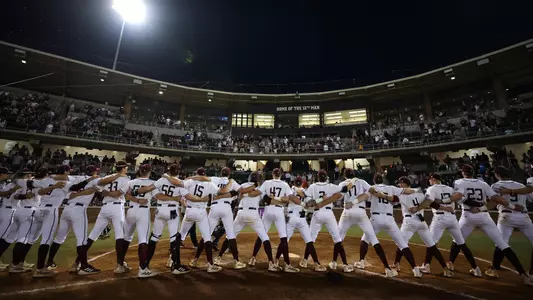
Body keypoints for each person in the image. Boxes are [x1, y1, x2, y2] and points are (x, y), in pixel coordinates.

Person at [445, 165, 532, 285]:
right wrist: (513, 206)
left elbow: (458, 196)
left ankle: (451, 265)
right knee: (503, 245)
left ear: (462, 172)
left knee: (458, 240)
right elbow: (498, 199)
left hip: (469, 215)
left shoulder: (460, 182)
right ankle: (524, 275)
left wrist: (446, 200)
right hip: (485, 216)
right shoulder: (483, 184)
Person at [357, 173, 423, 278]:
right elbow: (406, 191)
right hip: (389, 219)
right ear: (382, 180)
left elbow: (363, 197)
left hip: (376, 218)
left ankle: (361, 262)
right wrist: (416, 190)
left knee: (365, 239)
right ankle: (415, 269)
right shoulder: (391, 188)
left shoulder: (372, 188)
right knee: (402, 244)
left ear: (374, 181)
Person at [412, 173, 478, 275]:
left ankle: (426, 266)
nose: (429, 181)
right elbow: (461, 200)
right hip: (452, 218)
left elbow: (428, 201)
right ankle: (475, 268)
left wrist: (417, 208)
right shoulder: (450, 189)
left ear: (433, 179)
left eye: (430, 179)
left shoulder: (431, 188)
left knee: (431, 243)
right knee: (461, 243)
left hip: (440, 218)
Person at [335, 169, 396, 277]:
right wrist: (380, 194)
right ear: (354, 174)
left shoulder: (343, 183)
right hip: (361, 211)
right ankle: (387, 268)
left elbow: (338, 196)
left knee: (339, 238)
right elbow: (371, 190)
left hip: (347, 211)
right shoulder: (362, 181)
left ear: (344, 176)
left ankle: (335, 262)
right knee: (373, 239)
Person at [391, 176, 453, 277]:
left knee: (402, 243)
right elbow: (431, 203)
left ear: (403, 184)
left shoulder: (401, 194)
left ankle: (402, 265)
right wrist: (444, 208)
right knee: (432, 246)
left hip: (409, 222)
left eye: (400, 183)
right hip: (421, 223)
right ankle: (446, 269)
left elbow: (393, 200)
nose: (399, 185)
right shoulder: (419, 192)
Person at [45, 166, 100, 275]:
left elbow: (56, 177)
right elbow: (100, 188)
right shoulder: (96, 180)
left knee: (59, 238)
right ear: (94, 172)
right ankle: (83, 266)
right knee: (82, 240)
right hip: (78, 210)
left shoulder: (74, 178)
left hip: (67, 209)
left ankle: (49, 262)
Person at [249, 168, 299, 273]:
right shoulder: (285, 184)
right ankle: (287, 264)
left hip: (267, 210)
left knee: (261, 235)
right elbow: (287, 199)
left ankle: (253, 258)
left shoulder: (267, 183)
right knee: (284, 239)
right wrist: (279, 200)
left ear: (272, 174)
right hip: (278, 211)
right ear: (281, 174)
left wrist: (271, 198)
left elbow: (262, 197)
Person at [486, 166, 533, 279]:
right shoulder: (521, 185)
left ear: (497, 174)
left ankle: (494, 269)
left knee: (501, 243)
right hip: (524, 217)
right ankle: (532, 272)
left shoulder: (496, 185)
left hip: (506, 217)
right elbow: (531, 199)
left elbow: (493, 201)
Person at [226, 172, 278, 272]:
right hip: (253, 213)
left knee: (230, 235)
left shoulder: (243, 185)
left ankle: (221, 257)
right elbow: (265, 199)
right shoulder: (260, 187)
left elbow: (239, 196)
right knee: (265, 238)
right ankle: (271, 263)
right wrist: (272, 197)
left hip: (241, 212)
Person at [305, 170, 352, 273]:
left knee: (311, 239)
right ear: (326, 177)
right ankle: (345, 265)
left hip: (317, 213)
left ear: (317, 177)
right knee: (337, 239)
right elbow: (344, 189)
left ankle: (305, 261)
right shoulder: (331, 186)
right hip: (328, 213)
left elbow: (309, 203)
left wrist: (319, 201)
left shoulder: (312, 187)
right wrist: (352, 182)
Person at [179, 168, 222, 273]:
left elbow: (181, 185)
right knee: (207, 238)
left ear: (196, 174)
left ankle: (171, 260)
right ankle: (210, 265)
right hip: (201, 211)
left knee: (180, 236)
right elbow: (219, 192)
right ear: (204, 175)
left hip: (189, 210)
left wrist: (190, 177)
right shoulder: (209, 183)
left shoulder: (189, 181)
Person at [287, 176, 326, 272]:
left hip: (291, 217)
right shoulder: (305, 191)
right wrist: (321, 199)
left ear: (294, 182)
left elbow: (286, 200)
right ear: (302, 183)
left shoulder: (289, 189)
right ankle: (317, 264)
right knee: (309, 242)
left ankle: (275, 262)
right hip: (301, 219)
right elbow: (310, 204)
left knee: (284, 241)